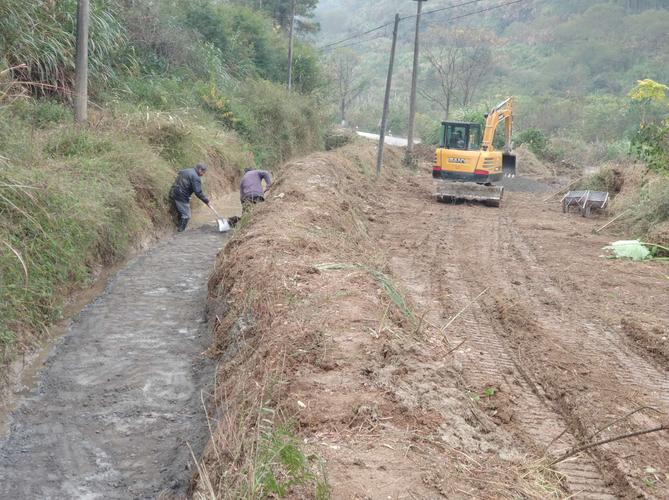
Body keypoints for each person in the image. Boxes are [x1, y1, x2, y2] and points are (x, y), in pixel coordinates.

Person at [169, 163, 211, 232]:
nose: (203, 174)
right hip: (181, 196)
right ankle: (180, 231)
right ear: (200, 170)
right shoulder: (196, 177)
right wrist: (207, 201)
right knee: (187, 215)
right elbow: (198, 192)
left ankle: (178, 226)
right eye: (203, 172)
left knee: (182, 212)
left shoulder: (186, 170)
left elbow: (180, 176)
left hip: (174, 191)